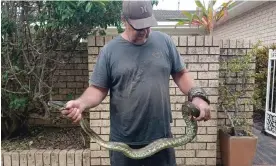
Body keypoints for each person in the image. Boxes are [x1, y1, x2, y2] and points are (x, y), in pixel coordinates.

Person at [61, 1, 211, 166]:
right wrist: (81, 103)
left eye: (148, 25)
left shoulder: (164, 42)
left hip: (162, 138)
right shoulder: (109, 51)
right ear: (123, 20)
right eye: (139, 27)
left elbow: (181, 74)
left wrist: (197, 96)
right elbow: (97, 89)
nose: (145, 32)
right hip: (123, 143)